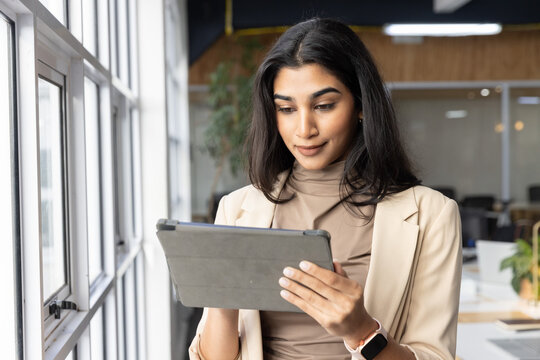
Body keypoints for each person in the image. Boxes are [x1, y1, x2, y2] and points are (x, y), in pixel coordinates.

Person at [189, 18, 462, 360]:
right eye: (286, 109)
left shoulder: (432, 214)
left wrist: (361, 331)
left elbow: (435, 356)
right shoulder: (237, 209)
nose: (304, 129)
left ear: (361, 105)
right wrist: (222, 300)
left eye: (323, 105)